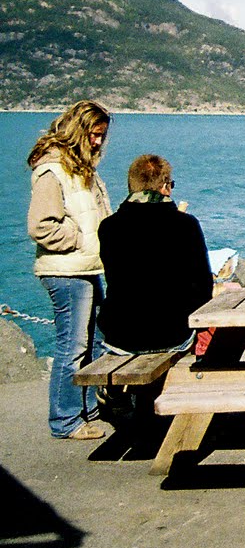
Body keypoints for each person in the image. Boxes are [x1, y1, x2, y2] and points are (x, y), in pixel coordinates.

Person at [27, 100, 113, 440]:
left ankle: (88, 410)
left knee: (94, 341)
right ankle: (66, 419)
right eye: (94, 135)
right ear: (80, 130)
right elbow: (41, 225)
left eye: (102, 136)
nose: (98, 142)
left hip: (86, 267)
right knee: (72, 346)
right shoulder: (53, 170)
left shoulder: (79, 168)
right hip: (67, 270)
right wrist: (80, 239)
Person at [97, 155, 213, 354]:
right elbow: (203, 288)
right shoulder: (186, 225)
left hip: (121, 336)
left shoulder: (109, 227)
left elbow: (114, 279)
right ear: (165, 186)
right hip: (172, 334)